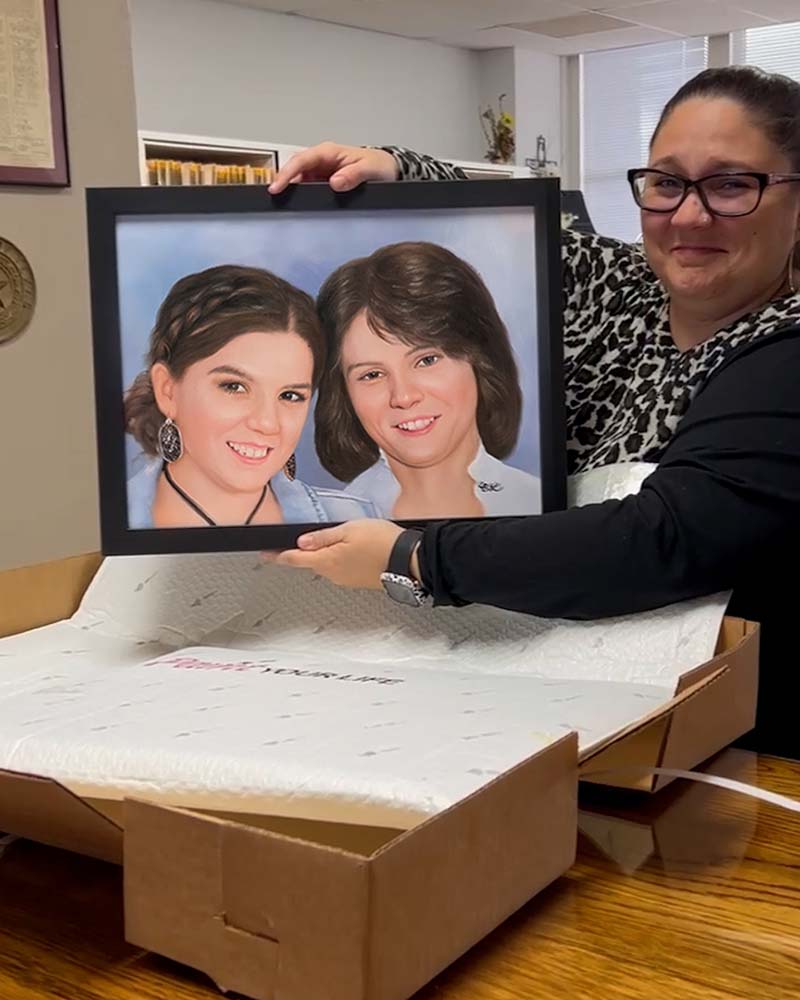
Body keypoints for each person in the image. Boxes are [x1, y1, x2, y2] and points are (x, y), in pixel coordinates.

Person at [271, 66, 800, 759]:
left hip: (731, 747)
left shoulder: (785, 346)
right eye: (666, 183)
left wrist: (414, 556)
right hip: (553, 707)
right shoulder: (624, 287)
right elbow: (509, 225)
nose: (688, 215)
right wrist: (390, 169)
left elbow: (658, 541)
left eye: (731, 185)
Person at [124, 264, 377, 527]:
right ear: (167, 390)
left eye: (290, 395)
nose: (267, 423)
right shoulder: (98, 529)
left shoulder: (357, 521)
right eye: (234, 387)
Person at [314, 240, 541, 518]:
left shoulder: (539, 506)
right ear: (344, 396)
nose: (404, 397)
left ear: (480, 359)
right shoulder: (329, 522)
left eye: (426, 360)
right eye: (372, 375)